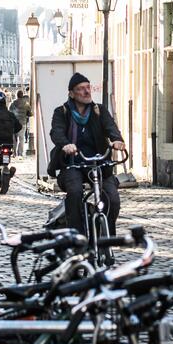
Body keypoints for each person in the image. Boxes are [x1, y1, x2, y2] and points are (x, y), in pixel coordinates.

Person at [49, 73, 126, 235]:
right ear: (71, 93)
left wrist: (117, 140)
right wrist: (65, 145)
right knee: (75, 192)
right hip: (73, 164)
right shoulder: (62, 112)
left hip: (97, 164)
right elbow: (56, 132)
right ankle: (78, 235)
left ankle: (106, 237)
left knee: (112, 198)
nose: (86, 92)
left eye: (88, 88)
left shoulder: (99, 111)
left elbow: (111, 127)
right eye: (81, 89)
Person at [9, 90, 32, 158]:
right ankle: (20, 153)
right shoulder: (26, 103)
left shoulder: (12, 103)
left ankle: (14, 153)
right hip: (23, 123)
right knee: (21, 138)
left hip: (14, 123)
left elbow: (9, 112)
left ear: (16, 95)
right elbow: (30, 113)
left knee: (14, 139)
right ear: (22, 95)